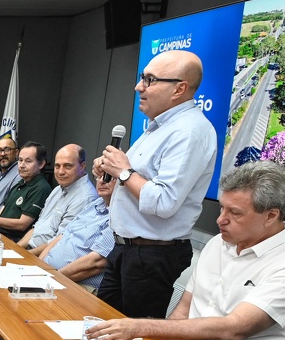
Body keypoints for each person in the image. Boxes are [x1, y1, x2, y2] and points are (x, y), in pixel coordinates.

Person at [89, 161, 285, 340]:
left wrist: (139, 327)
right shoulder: (218, 243)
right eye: (222, 208)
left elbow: (234, 329)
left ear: (271, 216)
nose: (220, 220)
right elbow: (185, 309)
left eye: (235, 213)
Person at [93, 50, 218, 318]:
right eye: (142, 78)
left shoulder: (189, 132)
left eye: (150, 80)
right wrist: (112, 173)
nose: (139, 87)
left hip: (150, 257)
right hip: (127, 249)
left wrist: (124, 172)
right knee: (101, 329)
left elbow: (164, 202)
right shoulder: (158, 127)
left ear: (179, 89)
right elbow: (134, 186)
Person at [37, 168, 116, 292]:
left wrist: (52, 278)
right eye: (99, 177)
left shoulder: (119, 215)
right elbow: (62, 236)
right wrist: (39, 265)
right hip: (50, 276)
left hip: (78, 284)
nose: (101, 181)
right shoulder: (94, 205)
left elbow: (96, 263)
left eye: (108, 178)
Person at [19, 144, 95, 249]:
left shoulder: (85, 198)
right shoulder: (57, 189)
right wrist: (17, 249)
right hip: (31, 250)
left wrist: (26, 255)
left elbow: (59, 243)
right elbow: (37, 227)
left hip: (45, 257)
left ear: (82, 166)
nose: (60, 172)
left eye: (68, 166)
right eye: (57, 166)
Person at [0, 142, 52, 235]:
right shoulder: (19, 184)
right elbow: (0, 215)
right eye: (20, 160)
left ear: (41, 164)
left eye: (28, 161)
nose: (22, 165)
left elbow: (22, 225)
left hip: (11, 240)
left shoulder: (40, 188)